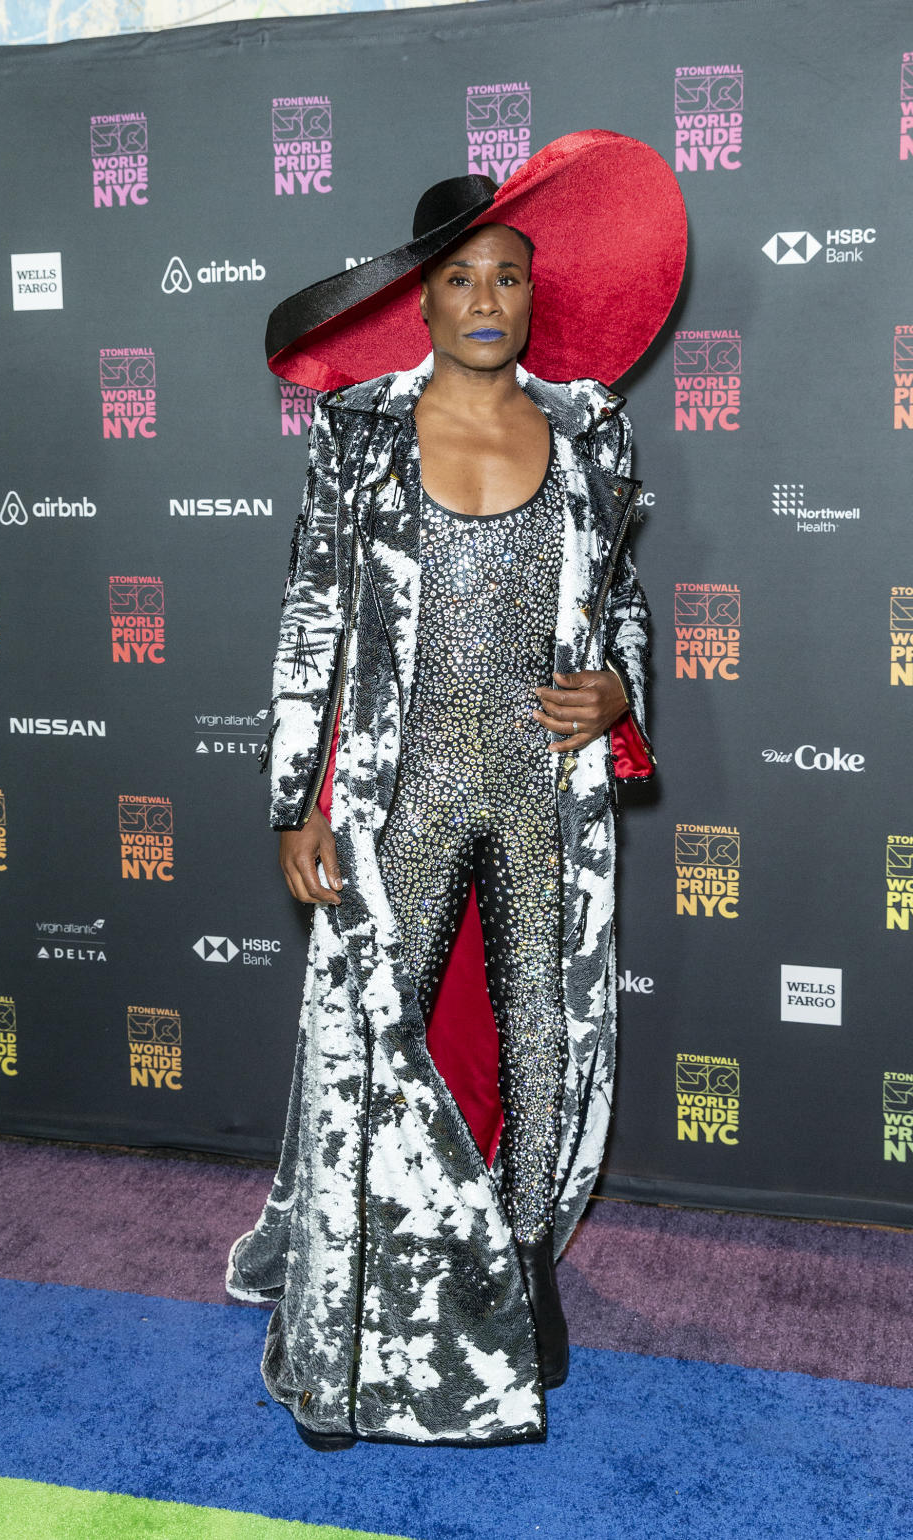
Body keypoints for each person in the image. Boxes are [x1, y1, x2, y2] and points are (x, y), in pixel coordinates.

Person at [227, 131, 686, 1450]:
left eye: (509, 279)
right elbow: (311, 621)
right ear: (419, 303)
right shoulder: (358, 433)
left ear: (532, 297)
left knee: (545, 1039)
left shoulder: (592, 426)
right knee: (369, 1044)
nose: (488, 301)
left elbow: (624, 606)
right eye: (462, 281)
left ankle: (521, 1265)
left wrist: (622, 692)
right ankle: (339, 1331)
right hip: (398, 790)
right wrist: (291, 799)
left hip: (542, 792)